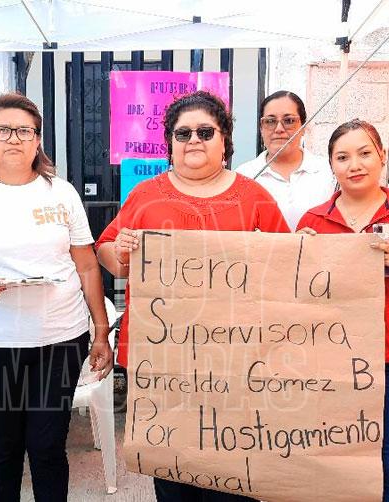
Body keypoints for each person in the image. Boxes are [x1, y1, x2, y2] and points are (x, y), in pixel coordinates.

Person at [95, 91, 290, 501]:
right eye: (183, 133)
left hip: (235, 360)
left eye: (205, 131)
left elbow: (289, 266)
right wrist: (122, 250)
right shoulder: (145, 195)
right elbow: (109, 255)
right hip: (162, 359)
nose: (194, 140)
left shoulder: (254, 197)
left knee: (231, 472)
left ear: (225, 140)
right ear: (170, 142)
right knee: (172, 472)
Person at [0, 93, 113, 502]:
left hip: (60, 339)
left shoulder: (61, 193)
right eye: (3, 130)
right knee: (5, 445)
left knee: (48, 446)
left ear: (38, 140)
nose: (14, 138)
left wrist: (101, 331)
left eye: (25, 131)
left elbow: (87, 266)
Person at [297, 119, 389, 502]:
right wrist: (296, 255)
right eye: (342, 157)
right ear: (331, 165)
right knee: (337, 463)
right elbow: (295, 298)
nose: (355, 165)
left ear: (381, 155)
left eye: (364, 153)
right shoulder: (313, 221)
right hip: (332, 361)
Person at [234, 90, 336, 228]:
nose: (279, 129)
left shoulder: (328, 171)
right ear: (261, 128)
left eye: (289, 121)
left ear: (303, 127)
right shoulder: (244, 176)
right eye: (270, 121)